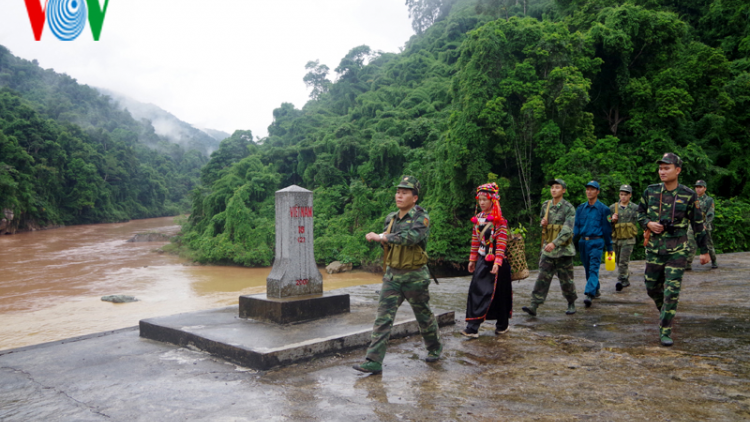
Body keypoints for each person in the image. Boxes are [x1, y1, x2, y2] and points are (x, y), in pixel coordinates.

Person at [353, 176, 442, 374]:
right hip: (392, 277)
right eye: (398, 192)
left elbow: (412, 238)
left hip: (415, 277)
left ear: (415, 197)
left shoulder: (421, 217)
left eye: (405, 192)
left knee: (423, 316)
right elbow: (389, 242)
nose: (399, 196)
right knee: (383, 318)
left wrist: (383, 236)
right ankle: (373, 361)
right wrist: (383, 239)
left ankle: (434, 347)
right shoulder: (391, 218)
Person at [638, 153, 710, 346]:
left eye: (666, 168)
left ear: (677, 170)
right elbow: (639, 214)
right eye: (660, 168)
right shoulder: (650, 191)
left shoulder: (688, 194)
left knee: (672, 291)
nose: (662, 171)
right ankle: (665, 312)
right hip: (654, 249)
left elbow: (697, 224)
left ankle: (665, 329)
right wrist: (649, 223)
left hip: (678, 249)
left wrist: (704, 251)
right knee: (652, 288)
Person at [461, 183, 512, 338]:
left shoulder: (500, 221)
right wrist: (472, 259)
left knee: (499, 295)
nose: (482, 202)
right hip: (483, 260)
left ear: (493, 201)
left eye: (485, 199)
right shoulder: (478, 219)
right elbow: (475, 241)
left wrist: (497, 263)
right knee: (478, 291)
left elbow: (502, 243)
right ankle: (473, 327)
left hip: (497, 264)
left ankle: (502, 325)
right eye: (480, 199)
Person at [522, 179, 578, 316]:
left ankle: (571, 302)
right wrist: (543, 223)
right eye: (552, 187)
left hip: (563, 251)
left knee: (566, 281)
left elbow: (567, 230)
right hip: (548, 250)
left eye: (557, 187)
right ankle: (534, 305)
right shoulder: (546, 206)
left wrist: (554, 243)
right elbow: (544, 226)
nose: (553, 190)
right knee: (542, 278)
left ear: (563, 190)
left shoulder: (568, 208)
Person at [574, 181, 614, 308]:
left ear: (598, 192)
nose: (589, 191)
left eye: (592, 189)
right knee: (587, 268)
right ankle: (595, 289)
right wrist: (571, 242)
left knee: (593, 268)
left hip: (597, 242)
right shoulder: (580, 208)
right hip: (583, 242)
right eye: (587, 189)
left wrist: (609, 247)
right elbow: (576, 227)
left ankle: (589, 294)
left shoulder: (604, 209)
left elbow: (607, 229)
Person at [610, 185, 639, 291]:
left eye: (625, 194)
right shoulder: (613, 207)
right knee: (617, 260)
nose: (623, 197)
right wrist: (611, 219)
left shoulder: (635, 208)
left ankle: (621, 280)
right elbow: (606, 220)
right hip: (616, 238)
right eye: (621, 194)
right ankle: (625, 279)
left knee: (623, 261)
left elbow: (642, 218)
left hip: (628, 239)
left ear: (630, 195)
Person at [686, 180, 718, 270]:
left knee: (708, 244)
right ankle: (688, 263)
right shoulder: (692, 199)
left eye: (700, 187)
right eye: (697, 187)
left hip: (704, 225)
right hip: (692, 225)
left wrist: (705, 224)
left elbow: (710, 213)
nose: (698, 189)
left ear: (705, 188)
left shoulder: (708, 200)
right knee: (690, 244)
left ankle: (714, 261)